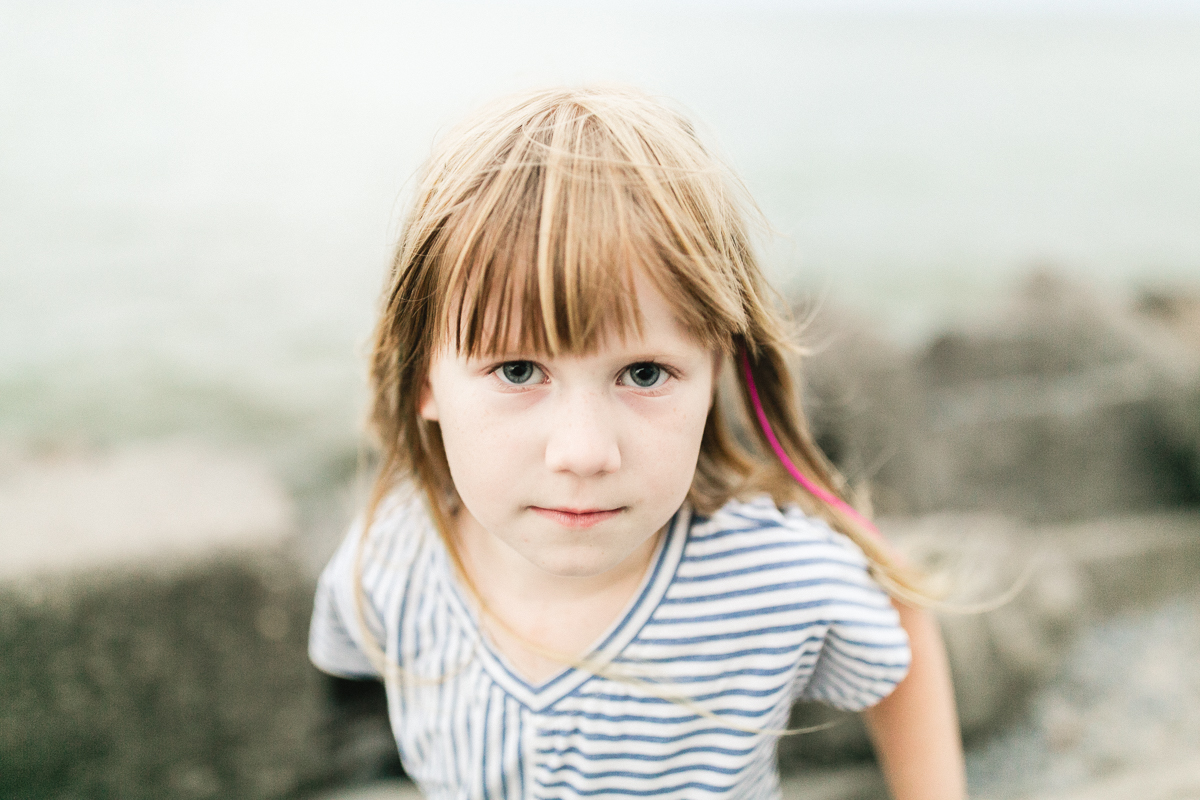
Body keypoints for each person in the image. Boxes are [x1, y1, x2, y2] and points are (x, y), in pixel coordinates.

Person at [309, 85, 965, 800]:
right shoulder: (392, 560)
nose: (585, 452)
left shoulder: (773, 578)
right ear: (422, 380)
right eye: (519, 370)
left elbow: (900, 615)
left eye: (644, 373)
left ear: (714, 366)